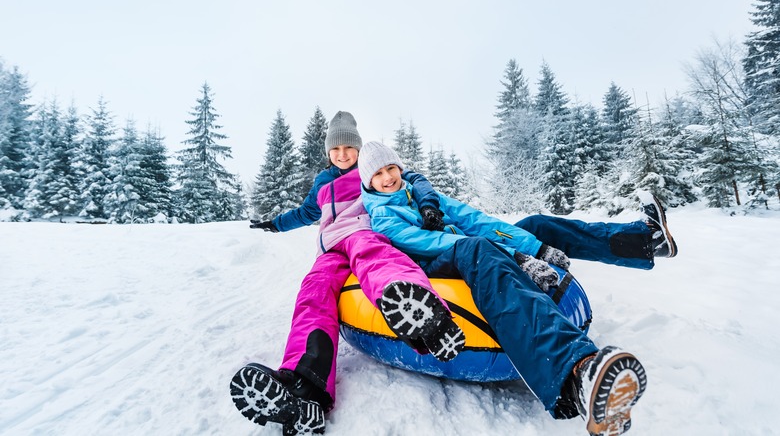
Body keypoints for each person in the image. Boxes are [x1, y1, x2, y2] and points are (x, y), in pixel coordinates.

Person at [358, 140, 662, 436]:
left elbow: (474, 220)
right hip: (439, 265)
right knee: (476, 247)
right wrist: (513, 255)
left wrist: (535, 246)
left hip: (472, 246)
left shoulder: (422, 195)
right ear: (368, 181)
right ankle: (577, 373)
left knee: (536, 224)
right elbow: (431, 243)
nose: (387, 177)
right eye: (378, 173)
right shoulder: (383, 216)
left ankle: (643, 241)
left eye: (390, 167)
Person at [230, 112, 465, 436]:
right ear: (328, 151)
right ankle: (304, 388)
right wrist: (274, 223)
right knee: (313, 294)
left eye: (348, 148)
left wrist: (427, 206)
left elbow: (414, 179)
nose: (342, 154)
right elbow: (305, 213)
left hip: (363, 233)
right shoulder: (322, 184)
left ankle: (425, 314)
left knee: (377, 260)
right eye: (336, 148)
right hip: (329, 248)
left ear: (357, 148)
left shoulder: (369, 170)